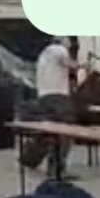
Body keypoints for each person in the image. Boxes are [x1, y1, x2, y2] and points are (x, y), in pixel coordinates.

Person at [22, 35, 80, 174]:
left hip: (44, 96)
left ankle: (30, 159)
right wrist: (82, 66)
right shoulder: (60, 50)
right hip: (58, 96)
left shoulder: (44, 53)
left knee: (49, 131)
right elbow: (69, 64)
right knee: (66, 132)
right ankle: (58, 168)